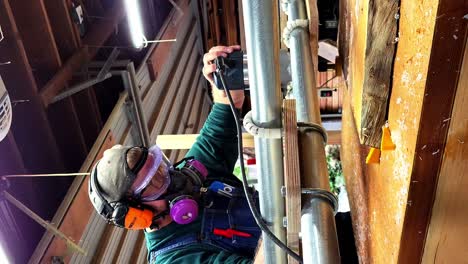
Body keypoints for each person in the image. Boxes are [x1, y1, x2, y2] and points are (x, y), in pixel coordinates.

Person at [88, 45, 262, 264]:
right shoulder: (172, 259)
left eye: (160, 167)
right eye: (155, 183)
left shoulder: (191, 177)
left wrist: (222, 77)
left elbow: (227, 108)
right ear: (137, 215)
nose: (172, 180)